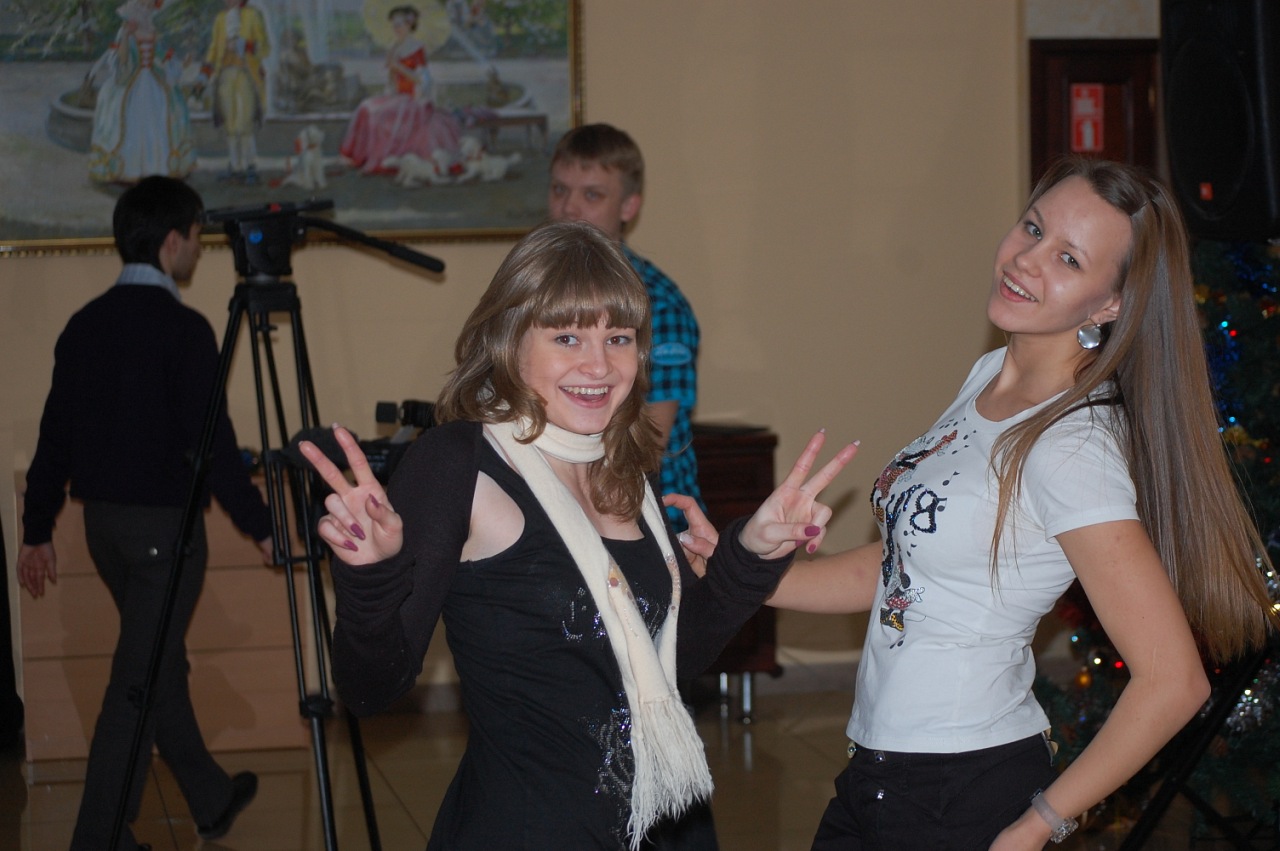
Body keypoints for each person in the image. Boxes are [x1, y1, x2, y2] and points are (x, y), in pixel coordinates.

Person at [729, 157, 1280, 850]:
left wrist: (1038, 824)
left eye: (1069, 259)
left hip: (961, 788)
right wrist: (743, 573)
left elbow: (1174, 680)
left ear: (1110, 304)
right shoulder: (991, 374)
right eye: (1033, 228)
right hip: (881, 773)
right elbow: (910, 566)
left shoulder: (1072, 446)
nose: (1026, 260)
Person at [299, 220, 856, 850]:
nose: (599, 365)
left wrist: (750, 553)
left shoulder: (624, 463)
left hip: (666, 821)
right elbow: (370, 690)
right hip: (529, 831)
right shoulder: (458, 462)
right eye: (567, 337)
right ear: (510, 342)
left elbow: (675, 656)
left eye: (618, 338)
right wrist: (370, 577)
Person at [17, 175, 272, 851]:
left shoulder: (84, 325)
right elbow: (213, 447)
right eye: (195, 237)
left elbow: (54, 436)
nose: (199, 249)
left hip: (103, 532)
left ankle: (209, 797)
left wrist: (36, 529)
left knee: (157, 662)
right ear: (171, 241)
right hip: (165, 537)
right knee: (136, 682)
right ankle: (100, 837)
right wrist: (262, 526)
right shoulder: (184, 330)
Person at [548, 123, 704, 531]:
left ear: (629, 207)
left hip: (655, 520)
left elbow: (648, 446)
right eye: (560, 189)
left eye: (592, 195)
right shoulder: (536, 292)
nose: (569, 208)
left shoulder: (658, 304)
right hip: (564, 506)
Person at [340, 4, 462, 175]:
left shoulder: (417, 47)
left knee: (379, 114)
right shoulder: (394, 47)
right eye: (394, 25)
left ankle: (384, 158)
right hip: (398, 96)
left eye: (400, 24)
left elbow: (423, 79)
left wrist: (398, 67)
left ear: (409, 25)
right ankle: (363, 155)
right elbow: (393, 81)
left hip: (413, 99)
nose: (396, 28)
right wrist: (391, 74)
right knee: (366, 107)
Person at [88, 0, 196, 184]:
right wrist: (126, 35)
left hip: (153, 81)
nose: (147, 6)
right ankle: (131, 170)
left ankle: (156, 168)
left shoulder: (151, 27)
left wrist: (180, 64)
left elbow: (160, 55)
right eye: (144, 3)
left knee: (157, 122)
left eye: (150, 4)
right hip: (133, 83)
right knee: (134, 123)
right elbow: (122, 60)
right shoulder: (126, 27)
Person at [198, 0, 270, 185]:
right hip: (225, 74)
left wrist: (245, 45)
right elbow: (214, 48)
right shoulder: (220, 19)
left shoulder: (253, 16)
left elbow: (265, 47)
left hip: (246, 74)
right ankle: (235, 165)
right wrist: (205, 73)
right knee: (229, 122)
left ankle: (250, 165)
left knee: (245, 120)